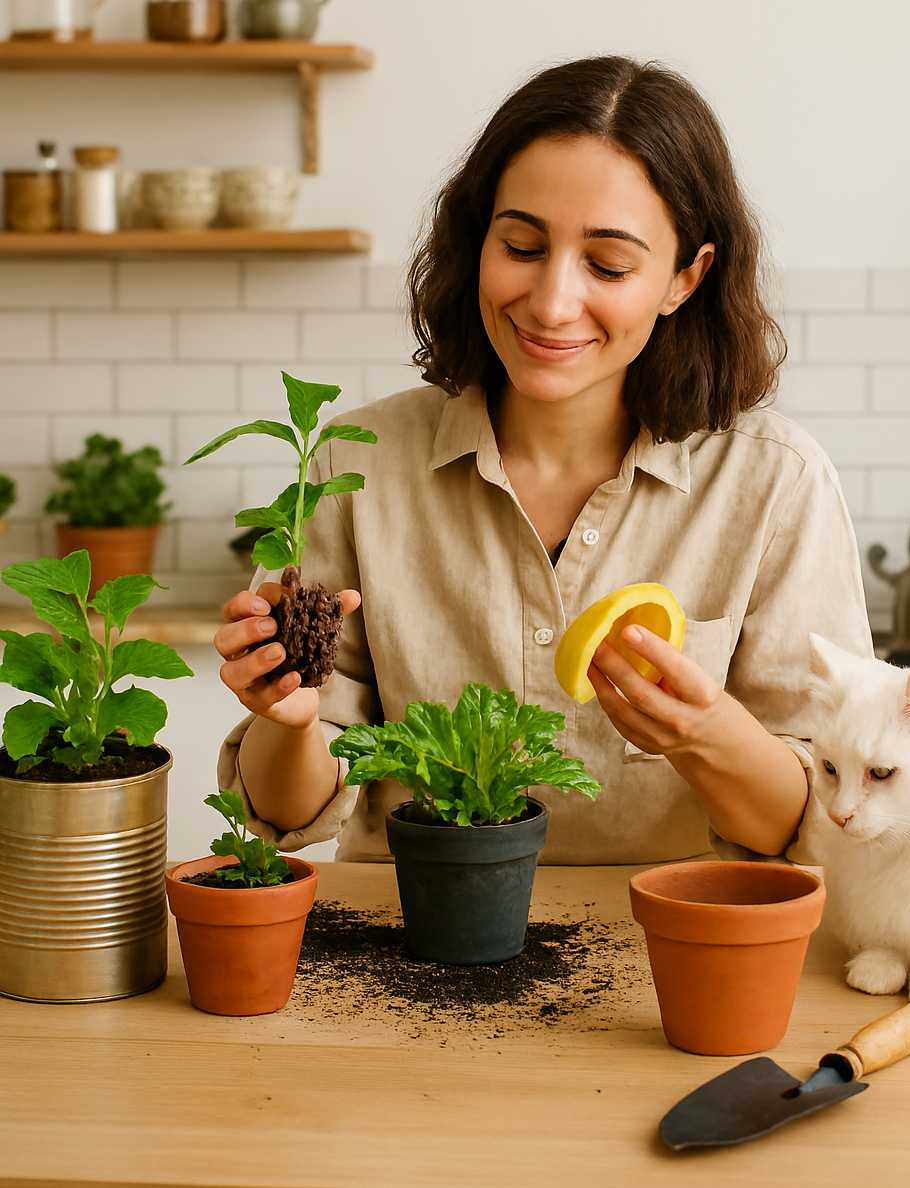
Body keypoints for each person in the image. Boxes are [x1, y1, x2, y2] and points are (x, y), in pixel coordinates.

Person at [214, 55, 873, 865]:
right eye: (521, 245)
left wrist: (706, 735)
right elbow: (289, 812)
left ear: (684, 277)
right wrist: (290, 718)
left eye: (608, 265)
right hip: (409, 962)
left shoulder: (775, 483)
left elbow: (809, 826)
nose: (552, 302)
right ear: (477, 238)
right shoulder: (355, 467)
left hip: (670, 969)